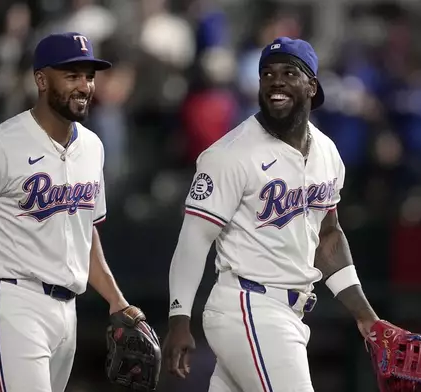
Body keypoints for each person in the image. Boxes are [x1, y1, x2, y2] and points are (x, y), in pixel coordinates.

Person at [0, 32, 151, 392]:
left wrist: (117, 300)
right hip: (9, 297)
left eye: (88, 75)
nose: (84, 85)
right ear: (41, 79)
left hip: (67, 308)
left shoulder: (92, 146)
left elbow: (84, 234)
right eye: (71, 75)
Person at [162, 37, 382, 391]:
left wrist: (365, 316)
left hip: (290, 311)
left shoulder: (327, 151)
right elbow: (193, 240)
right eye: (267, 73)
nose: (275, 80)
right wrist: (178, 318)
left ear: (312, 86)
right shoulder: (230, 154)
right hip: (248, 306)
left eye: (288, 72)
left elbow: (326, 236)